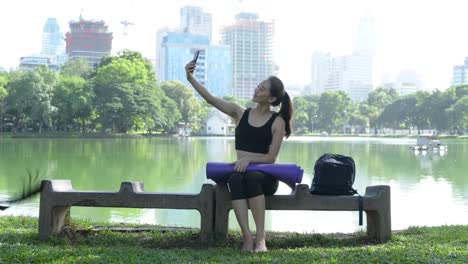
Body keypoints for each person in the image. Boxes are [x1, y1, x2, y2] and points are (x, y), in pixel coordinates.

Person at [185, 60, 293, 252]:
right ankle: (247, 238)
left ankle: (260, 239)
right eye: (258, 86)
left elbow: (271, 158)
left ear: (271, 99)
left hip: (264, 178)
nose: (256, 90)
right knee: (235, 179)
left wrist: (248, 159)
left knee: (251, 177)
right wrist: (190, 78)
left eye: (262, 89)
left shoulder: (278, 122)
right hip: (239, 173)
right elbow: (211, 99)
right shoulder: (239, 113)